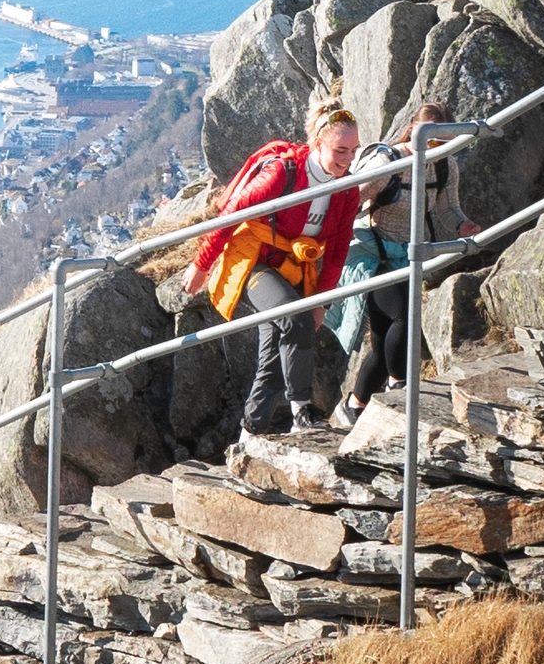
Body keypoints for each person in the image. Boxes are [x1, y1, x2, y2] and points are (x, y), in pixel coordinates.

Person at [189, 93, 364, 437]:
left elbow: (339, 249)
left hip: (294, 269)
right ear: (317, 144)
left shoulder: (346, 189)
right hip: (255, 260)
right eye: (340, 151)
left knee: (273, 357)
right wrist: (201, 264)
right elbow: (231, 215)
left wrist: (322, 303)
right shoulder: (282, 173)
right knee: (295, 318)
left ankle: (250, 432)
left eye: (354, 150)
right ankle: (302, 409)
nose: (348, 159)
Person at [338, 100, 477, 411]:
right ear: (413, 130)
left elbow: (447, 208)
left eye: (443, 142)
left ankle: (354, 407)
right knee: (405, 315)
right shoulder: (387, 163)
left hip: (408, 257)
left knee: (382, 339)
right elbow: (348, 198)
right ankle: (399, 385)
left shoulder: (443, 164)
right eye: (430, 140)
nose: (436, 148)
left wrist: (462, 225)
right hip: (371, 254)